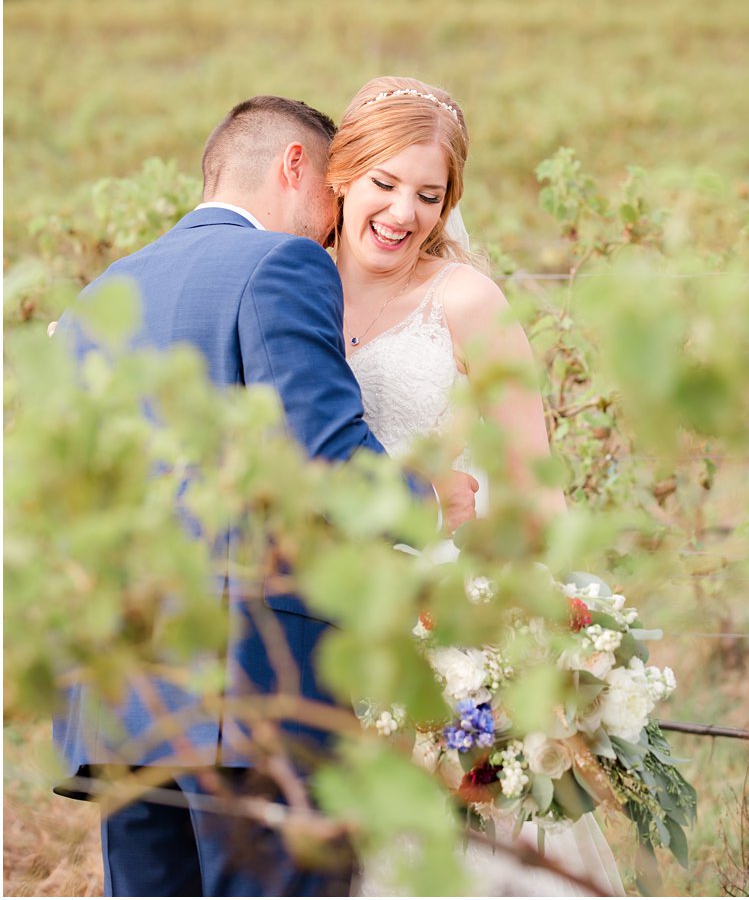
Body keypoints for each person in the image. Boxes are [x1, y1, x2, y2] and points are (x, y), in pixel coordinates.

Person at [51, 95, 472, 896]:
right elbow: (324, 455)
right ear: (295, 167)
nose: (331, 225)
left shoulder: (97, 295)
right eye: (336, 191)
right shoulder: (281, 264)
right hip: (253, 696)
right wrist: (436, 501)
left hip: (119, 699)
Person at [328, 76, 625, 897]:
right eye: (385, 182)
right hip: (326, 616)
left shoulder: (465, 300)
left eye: (429, 194)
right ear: (342, 172)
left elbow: (534, 482)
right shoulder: (292, 285)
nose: (403, 212)